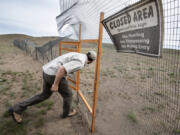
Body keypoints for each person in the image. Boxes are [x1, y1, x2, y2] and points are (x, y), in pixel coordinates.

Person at [8, 51, 97, 123]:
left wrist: (65, 75)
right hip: (54, 75)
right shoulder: (81, 62)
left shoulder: (78, 54)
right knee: (68, 95)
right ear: (91, 61)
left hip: (47, 71)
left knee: (44, 95)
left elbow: (64, 64)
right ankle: (68, 112)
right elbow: (62, 69)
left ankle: (17, 108)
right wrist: (55, 84)